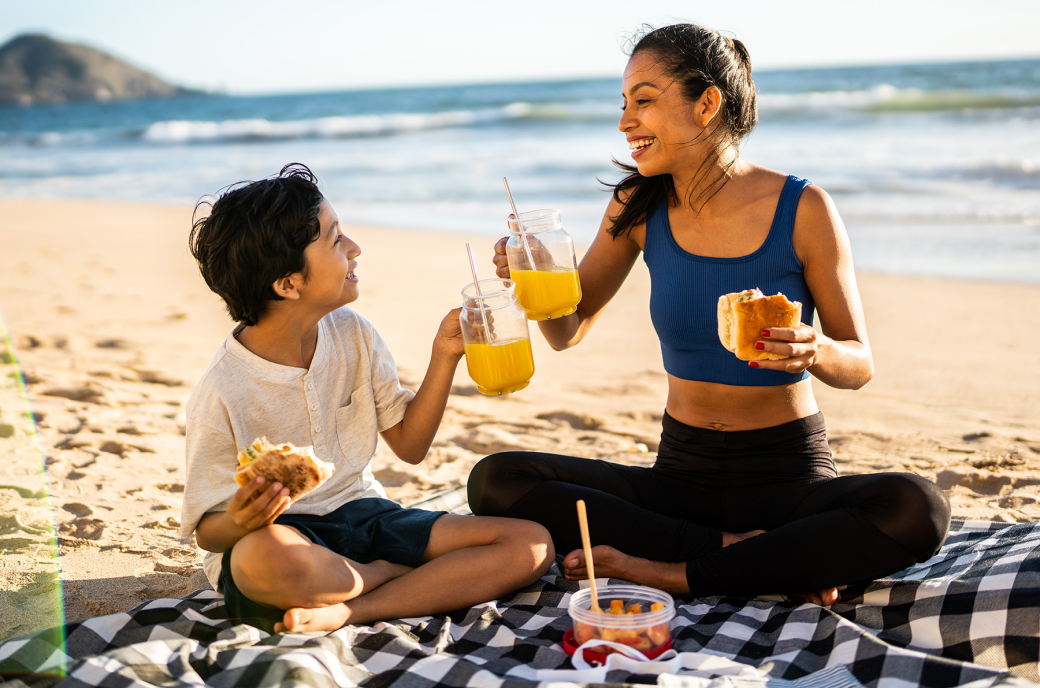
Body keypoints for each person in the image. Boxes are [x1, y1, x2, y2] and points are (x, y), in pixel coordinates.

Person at [467, 24, 950, 605]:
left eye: (644, 101)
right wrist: (533, 280)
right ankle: (747, 553)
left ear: (708, 104)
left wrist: (814, 348)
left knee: (918, 508)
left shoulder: (804, 208)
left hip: (788, 473)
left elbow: (859, 362)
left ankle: (672, 571)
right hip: (680, 476)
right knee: (495, 480)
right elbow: (566, 331)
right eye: (623, 104)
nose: (625, 123)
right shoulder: (637, 206)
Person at [180, 164, 553, 634]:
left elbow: (410, 446)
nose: (355, 248)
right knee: (266, 560)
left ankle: (350, 608)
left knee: (531, 544)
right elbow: (210, 533)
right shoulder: (223, 390)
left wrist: (444, 357)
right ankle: (389, 576)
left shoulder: (353, 334)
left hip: (367, 516)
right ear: (288, 284)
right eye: (336, 240)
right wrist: (241, 518)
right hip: (284, 537)